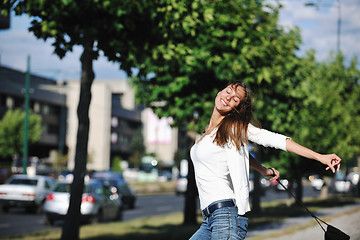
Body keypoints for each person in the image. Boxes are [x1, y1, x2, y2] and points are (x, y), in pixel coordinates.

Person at [189, 81, 342, 240]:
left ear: (236, 108)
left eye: (235, 99)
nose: (228, 98)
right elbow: (238, 155)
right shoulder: (206, 134)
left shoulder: (234, 127)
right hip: (208, 220)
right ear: (219, 92)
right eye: (228, 92)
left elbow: (274, 139)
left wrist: (320, 156)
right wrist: (262, 169)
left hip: (226, 218)